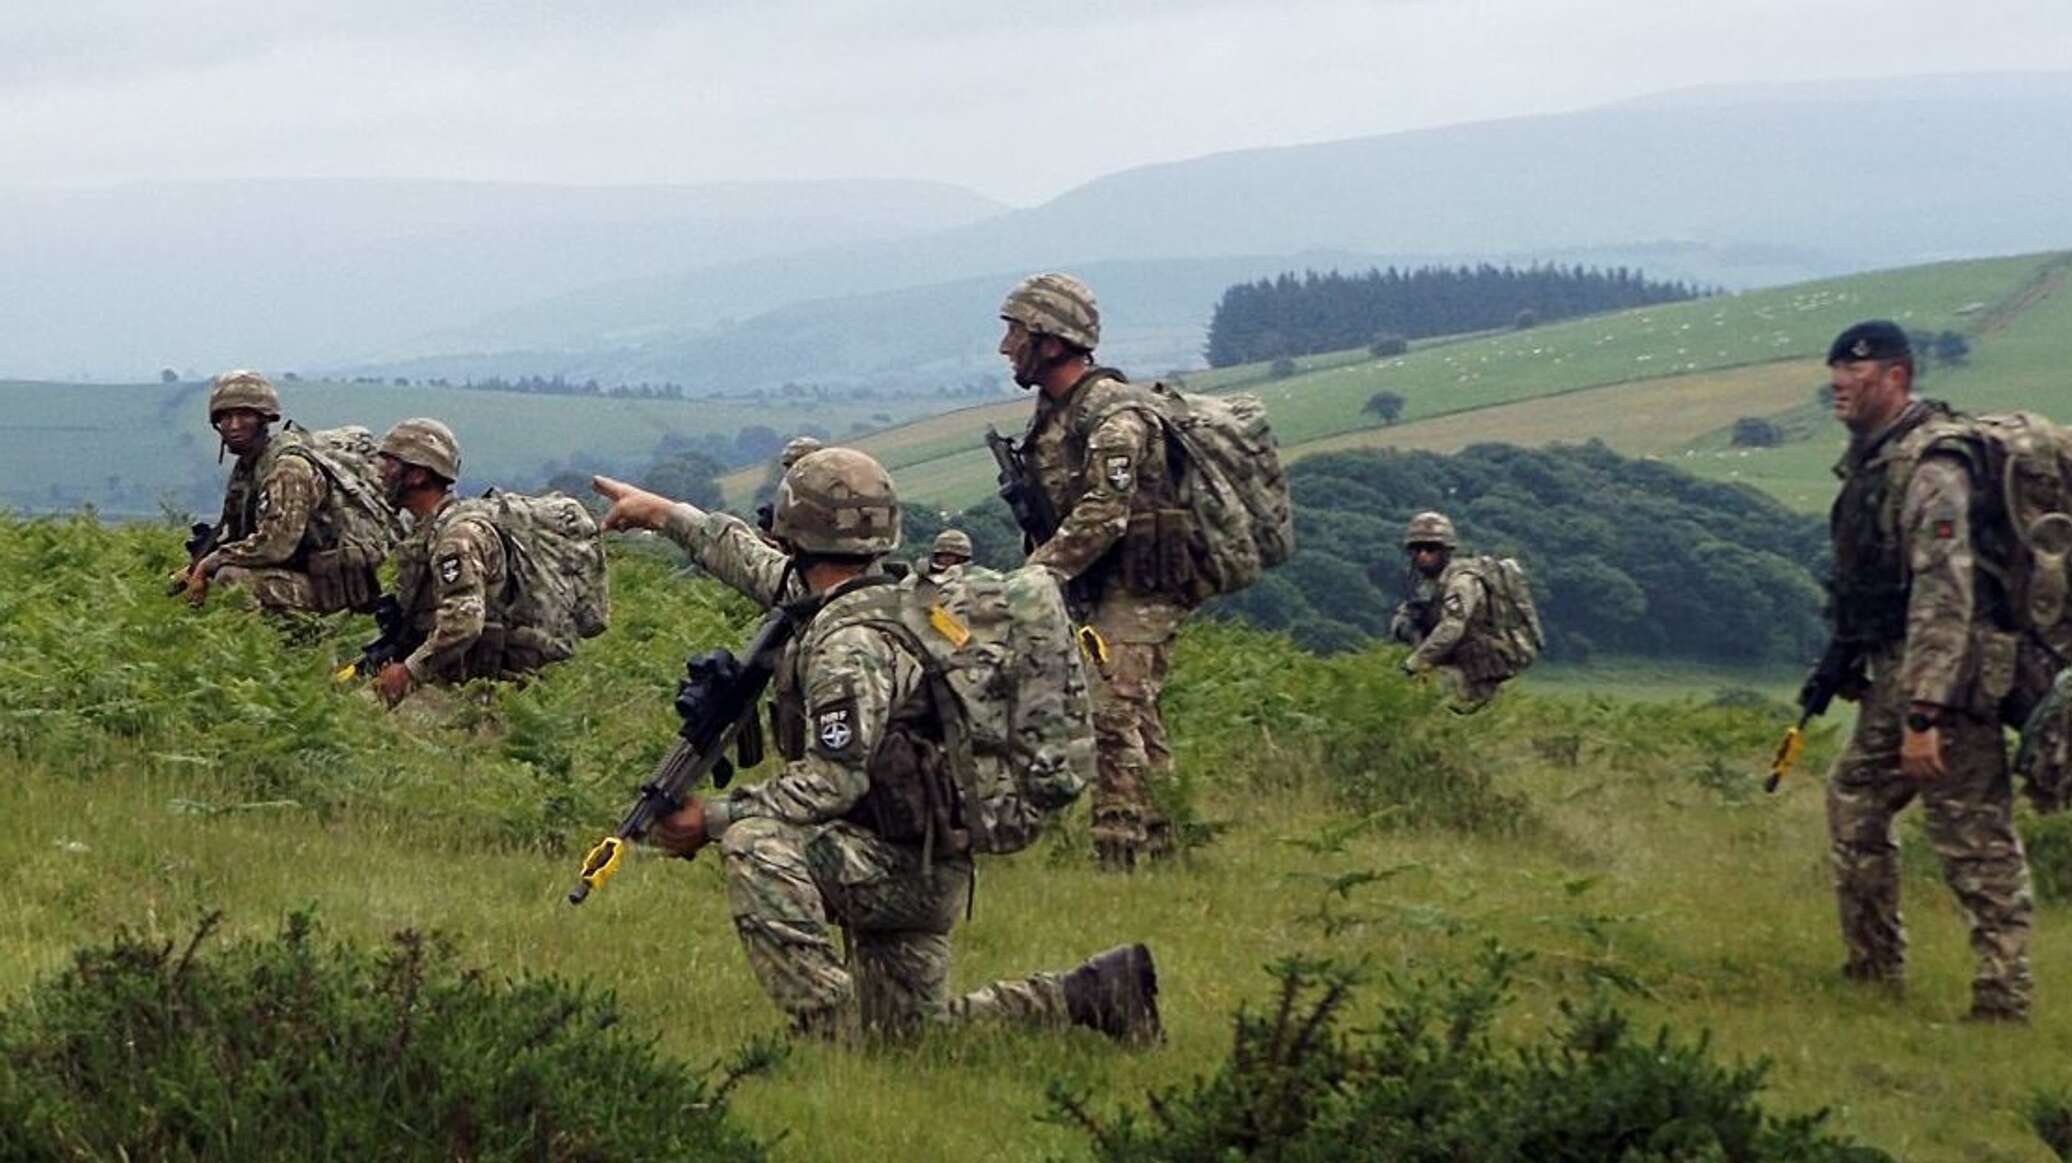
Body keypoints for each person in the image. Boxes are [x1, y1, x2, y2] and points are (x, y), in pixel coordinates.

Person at [590, 453, 1161, 1041]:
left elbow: (832, 781)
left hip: (894, 866)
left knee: (754, 843)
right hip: (918, 851)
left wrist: (710, 819)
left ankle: (830, 1038)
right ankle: (1097, 993)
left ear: (795, 530)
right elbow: (752, 563)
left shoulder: (849, 645)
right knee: (909, 1036)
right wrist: (662, 513)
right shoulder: (886, 600)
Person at [1818, 319, 2033, 1022]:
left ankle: (2003, 996)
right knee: (1855, 796)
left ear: (1897, 377)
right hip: (1902, 669)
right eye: (1836, 372)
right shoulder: (1878, 459)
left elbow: (1946, 596)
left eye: (1856, 372)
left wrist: (1924, 713)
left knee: (1971, 832)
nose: (1840, 384)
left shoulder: (1933, 468)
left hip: (1954, 678)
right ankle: (1872, 971)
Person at [997, 272, 1181, 868]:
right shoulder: (1055, 412)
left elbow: (1106, 510)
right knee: (1138, 721)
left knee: (1110, 715)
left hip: (1138, 590)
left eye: (1016, 334)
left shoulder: (1112, 416)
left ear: (1051, 341)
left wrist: (1036, 576)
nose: (1006, 348)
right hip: (1097, 587)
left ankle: (1117, 853)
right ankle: (1169, 847)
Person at [372, 418, 513, 705]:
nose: (380, 472)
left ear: (417, 475)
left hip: (477, 686)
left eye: (390, 463)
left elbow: (464, 622)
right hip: (457, 675)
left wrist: (408, 671)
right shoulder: (428, 531)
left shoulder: (455, 540)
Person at [174, 370, 333, 614]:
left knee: (230, 577)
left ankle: (288, 636)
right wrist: (196, 567)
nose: (234, 425)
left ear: (264, 418)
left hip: (326, 585)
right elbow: (240, 534)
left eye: (244, 415)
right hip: (290, 574)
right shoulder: (249, 467)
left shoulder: (288, 469)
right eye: (226, 417)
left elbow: (276, 545)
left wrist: (209, 563)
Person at [1389, 511, 1508, 710]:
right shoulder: (1430, 585)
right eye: (1417, 549)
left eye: (1430, 549)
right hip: (1448, 665)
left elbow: (1452, 627)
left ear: (1446, 551)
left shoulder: (1461, 582)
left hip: (1473, 673)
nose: (1422, 555)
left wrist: (1415, 662)